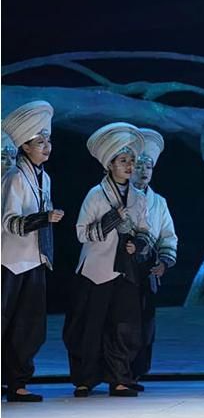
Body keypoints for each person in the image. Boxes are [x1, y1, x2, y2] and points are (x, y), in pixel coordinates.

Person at [63, 122, 151, 398]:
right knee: (90, 325)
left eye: (131, 161)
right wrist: (113, 219)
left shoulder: (138, 197)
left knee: (124, 326)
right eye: (123, 161)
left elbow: (145, 231)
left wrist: (137, 244)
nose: (129, 166)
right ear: (109, 164)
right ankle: (84, 379)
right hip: (96, 269)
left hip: (125, 270)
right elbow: (81, 233)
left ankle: (120, 378)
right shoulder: (96, 194)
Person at [2, 101, 63, 402]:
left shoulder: (44, 177)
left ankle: (17, 383)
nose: (47, 146)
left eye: (48, 140)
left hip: (35, 260)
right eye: (40, 142)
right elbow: (9, 221)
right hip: (10, 261)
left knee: (29, 326)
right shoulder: (14, 176)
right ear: (25, 146)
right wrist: (43, 218)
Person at [129, 128, 178, 389]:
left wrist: (164, 261)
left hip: (146, 269)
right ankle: (118, 373)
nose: (143, 171)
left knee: (144, 324)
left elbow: (168, 235)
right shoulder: (119, 196)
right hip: (121, 268)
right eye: (138, 166)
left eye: (148, 167)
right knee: (122, 322)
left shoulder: (158, 201)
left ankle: (135, 373)